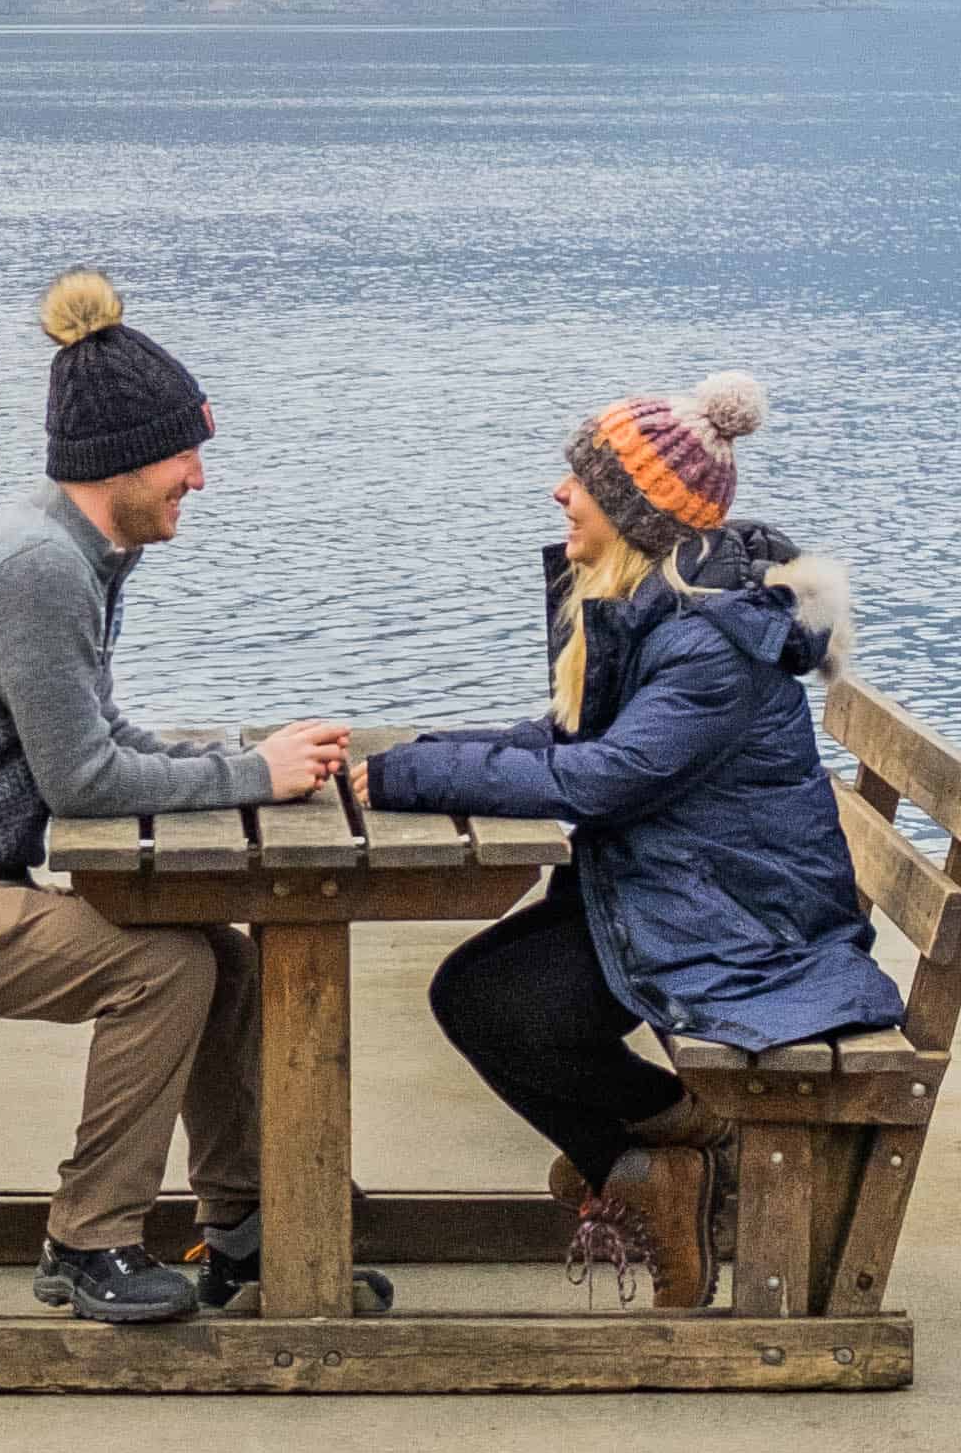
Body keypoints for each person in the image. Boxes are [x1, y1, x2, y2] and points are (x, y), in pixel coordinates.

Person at [0, 271, 361, 1331]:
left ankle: (245, 1233)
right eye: (184, 455)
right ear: (120, 461)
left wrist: (217, 757)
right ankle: (89, 1240)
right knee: (161, 969)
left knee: (228, 952)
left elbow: (93, 737)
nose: (198, 478)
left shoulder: (74, 546)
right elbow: (82, 783)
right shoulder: (41, 568)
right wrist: (252, 778)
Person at [367, 375, 887, 1307]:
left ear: (637, 515)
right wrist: (419, 758)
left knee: (489, 1002)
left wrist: (410, 776)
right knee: (484, 998)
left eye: (582, 483)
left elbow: (601, 782)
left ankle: (677, 1156)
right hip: (684, 890)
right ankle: (650, 1166)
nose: (561, 495)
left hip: (741, 922)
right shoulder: (660, 606)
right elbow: (573, 742)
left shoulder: (708, 646)